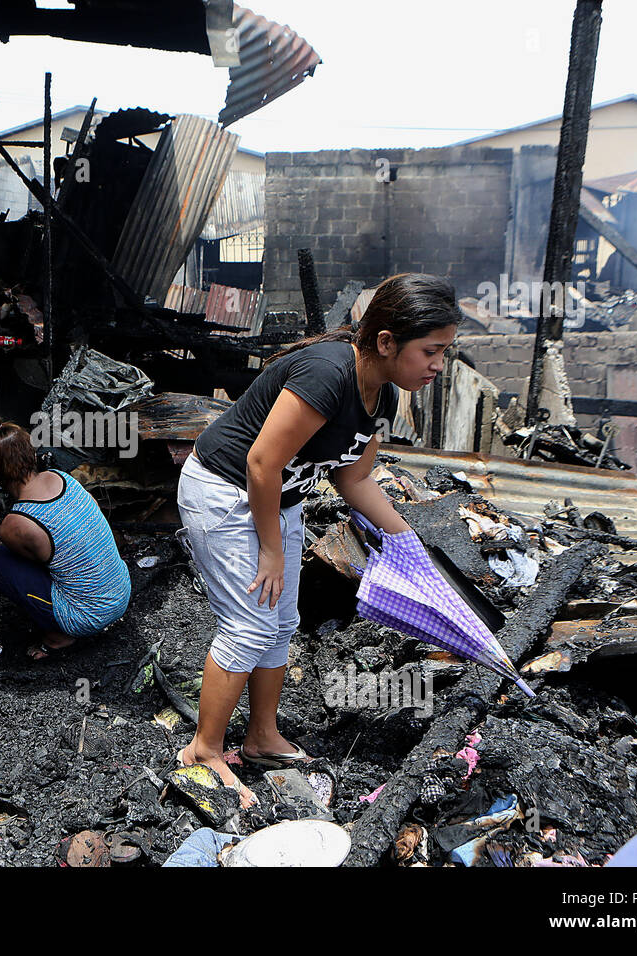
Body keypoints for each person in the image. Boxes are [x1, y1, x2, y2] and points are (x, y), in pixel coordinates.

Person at [176, 272, 461, 806]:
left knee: (283, 622)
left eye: (444, 352)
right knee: (248, 622)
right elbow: (262, 462)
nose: (438, 366)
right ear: (385, 342)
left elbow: (352, 478)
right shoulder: (327, 374)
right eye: (431, 351)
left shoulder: (381, 397)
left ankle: (261, 737)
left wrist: (407, 540)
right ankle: (205, 750)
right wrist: (270, 550)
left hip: (278, 498)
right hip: (225, 491)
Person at [0, 421, 131, 659]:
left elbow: (33, 562)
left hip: (87, 617)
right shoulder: (62, 478)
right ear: (32, 455)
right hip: (121, 592)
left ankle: (58, 636)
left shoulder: (15, 523)